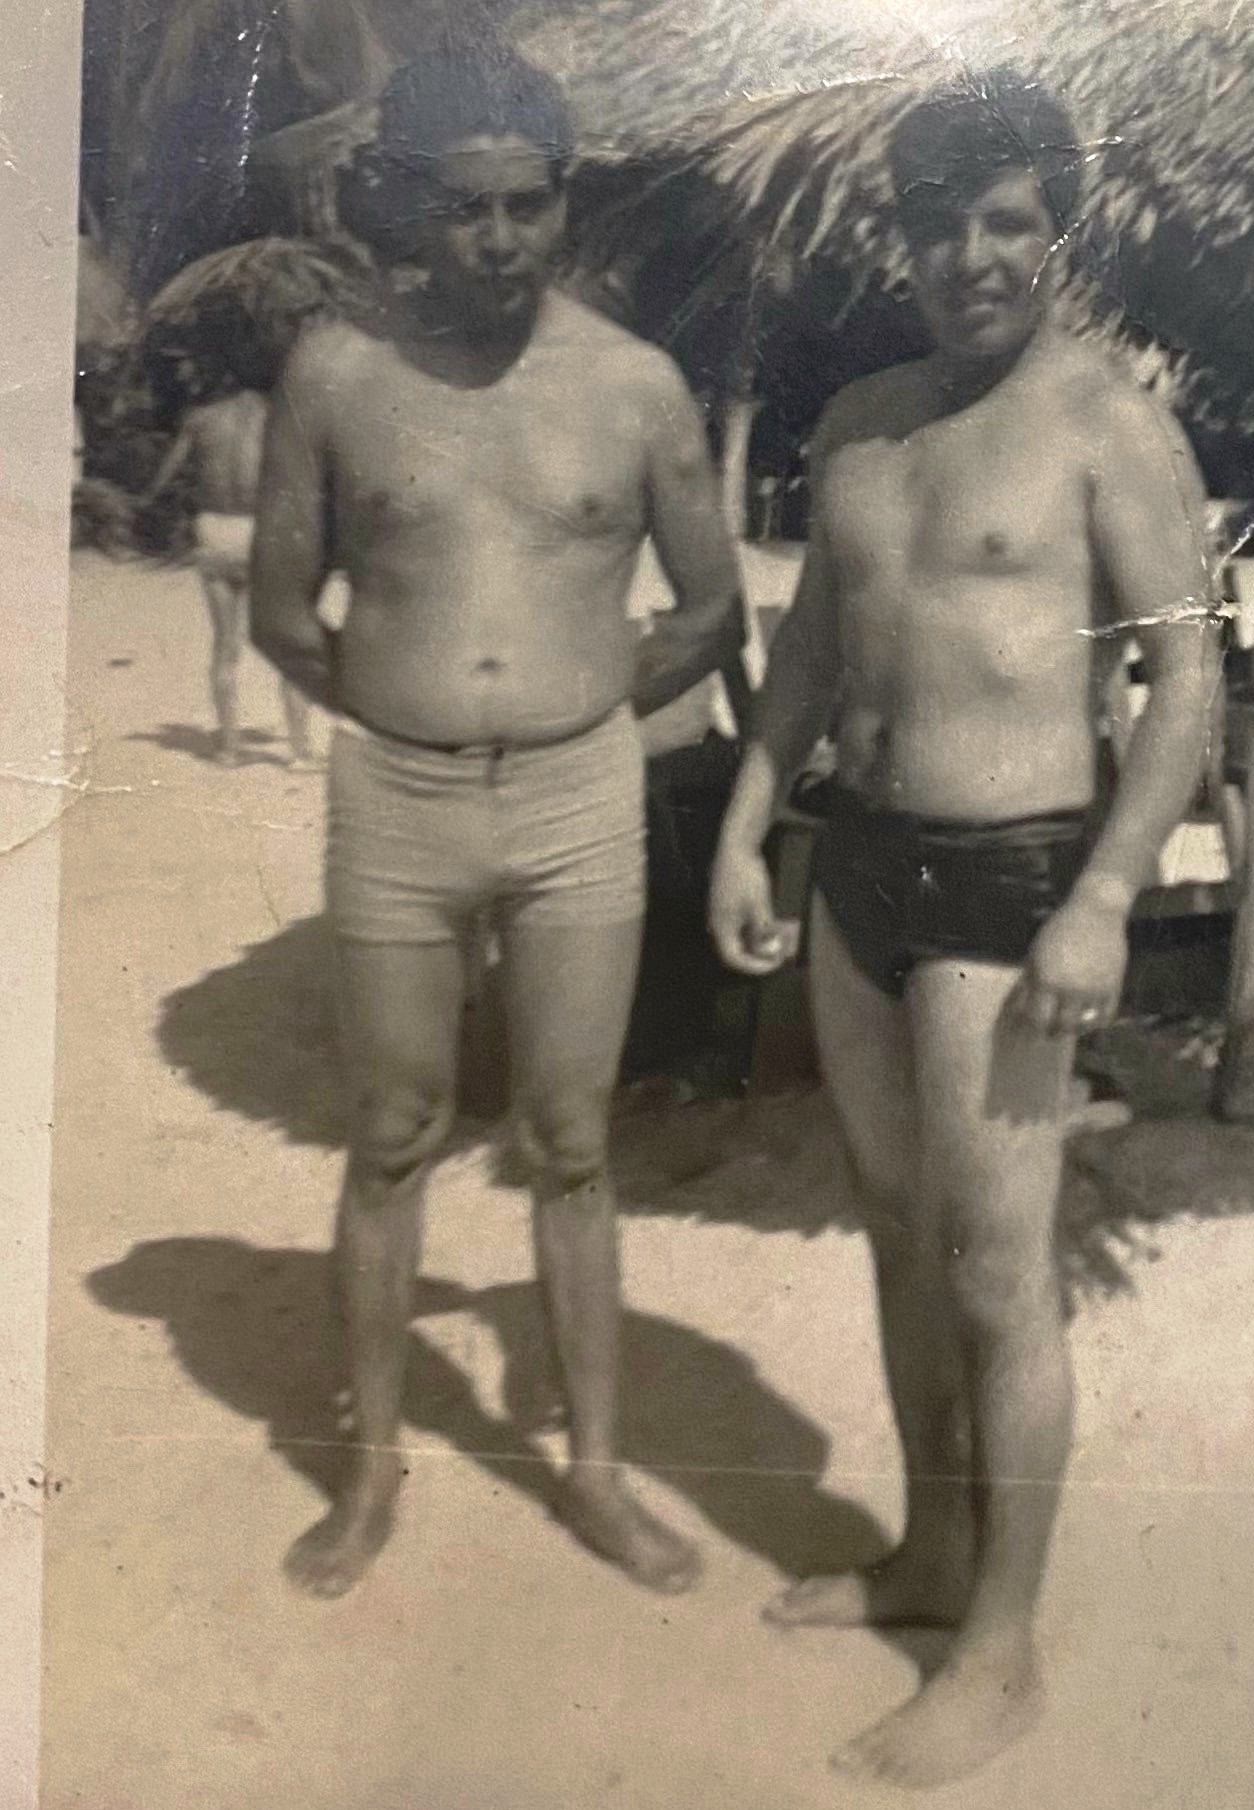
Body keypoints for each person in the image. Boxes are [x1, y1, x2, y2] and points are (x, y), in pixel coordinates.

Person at [709, 71, 1217, 1787]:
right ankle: (931, 1549)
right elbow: (806, 651)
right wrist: (744, 826)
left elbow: (1188, 683)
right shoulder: (862, 422)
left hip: (1015, 878)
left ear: (1058, 234)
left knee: (1001, 1273)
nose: (973, 258)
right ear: (903, 240)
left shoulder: (1108, 423)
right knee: (893, 1230)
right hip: (858, 862)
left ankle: (999, 1652)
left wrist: (1105, 898)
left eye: (1008, 224)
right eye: (940, 227)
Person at [250, 41, 745, 1599]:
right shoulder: (336, 374)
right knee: (393, 1130)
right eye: (466, 209)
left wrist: (578, 700)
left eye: (528, 205)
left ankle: (593, 1471)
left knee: (572, 1139)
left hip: (578, 796)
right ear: (413, 205)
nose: (499, 239)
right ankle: (370, 1474)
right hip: (397, 794)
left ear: (563, 202)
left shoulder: (634, 385)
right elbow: (280, 612)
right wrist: (412, 712)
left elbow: (712, 607)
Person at [148, 360, 314, 766]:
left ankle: (228, 749)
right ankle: (300, 753)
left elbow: (161, 481)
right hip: (262, 533)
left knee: (225, 647)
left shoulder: (200, 419)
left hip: (214, 529)